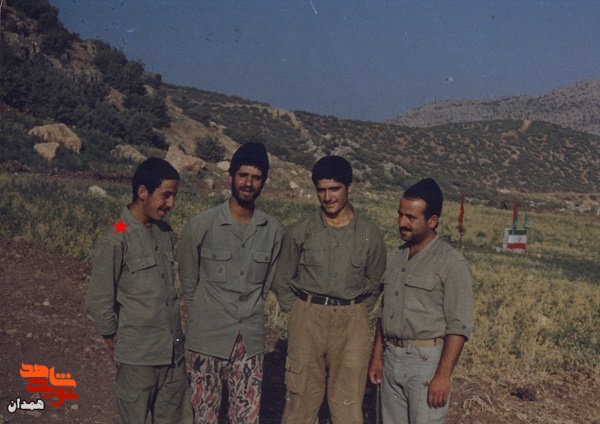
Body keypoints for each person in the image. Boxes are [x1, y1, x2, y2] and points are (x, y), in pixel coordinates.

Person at [272, 155, 387, 424]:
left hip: (351, 323)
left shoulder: (370, 234)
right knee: (301, 403)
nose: (327, 197)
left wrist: (356, 312)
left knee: (348, 405)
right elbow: (282, 278)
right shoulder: (300, 231)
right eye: (321, 190)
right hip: (307, 318)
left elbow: (376, 281)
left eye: (335, 189)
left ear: (350, 187)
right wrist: (299, 310)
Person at [178, 142, 282, 424]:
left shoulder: (272, 230)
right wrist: (204, 318)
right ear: (231, 176)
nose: (248, 183)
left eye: (256, 177)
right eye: (243, 175)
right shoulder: (201, 225)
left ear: (264, 182)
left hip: (249, 340)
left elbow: (265, 285)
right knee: (204, 416)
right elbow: (189, 283)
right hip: (207, 339)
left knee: (247, 417)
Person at [85, 158, 191, 423]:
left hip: (173, 357)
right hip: (138, 360)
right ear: (143, 191)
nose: (171, 204)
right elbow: (99, 302)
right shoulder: (116, 237)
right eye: (166, 195)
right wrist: (116, 343)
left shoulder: (163, 231)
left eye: (174, 196)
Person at [368, 178, 474, 424]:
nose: (402, 223)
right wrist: (377, 356)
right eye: (400, 215)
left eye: (411, 217)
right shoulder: (397, 257)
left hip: (425, 364)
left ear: (432, 221)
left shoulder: (451, 263)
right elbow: (385, 312)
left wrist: (443, 376)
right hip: (392, 358)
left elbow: (458, 327)